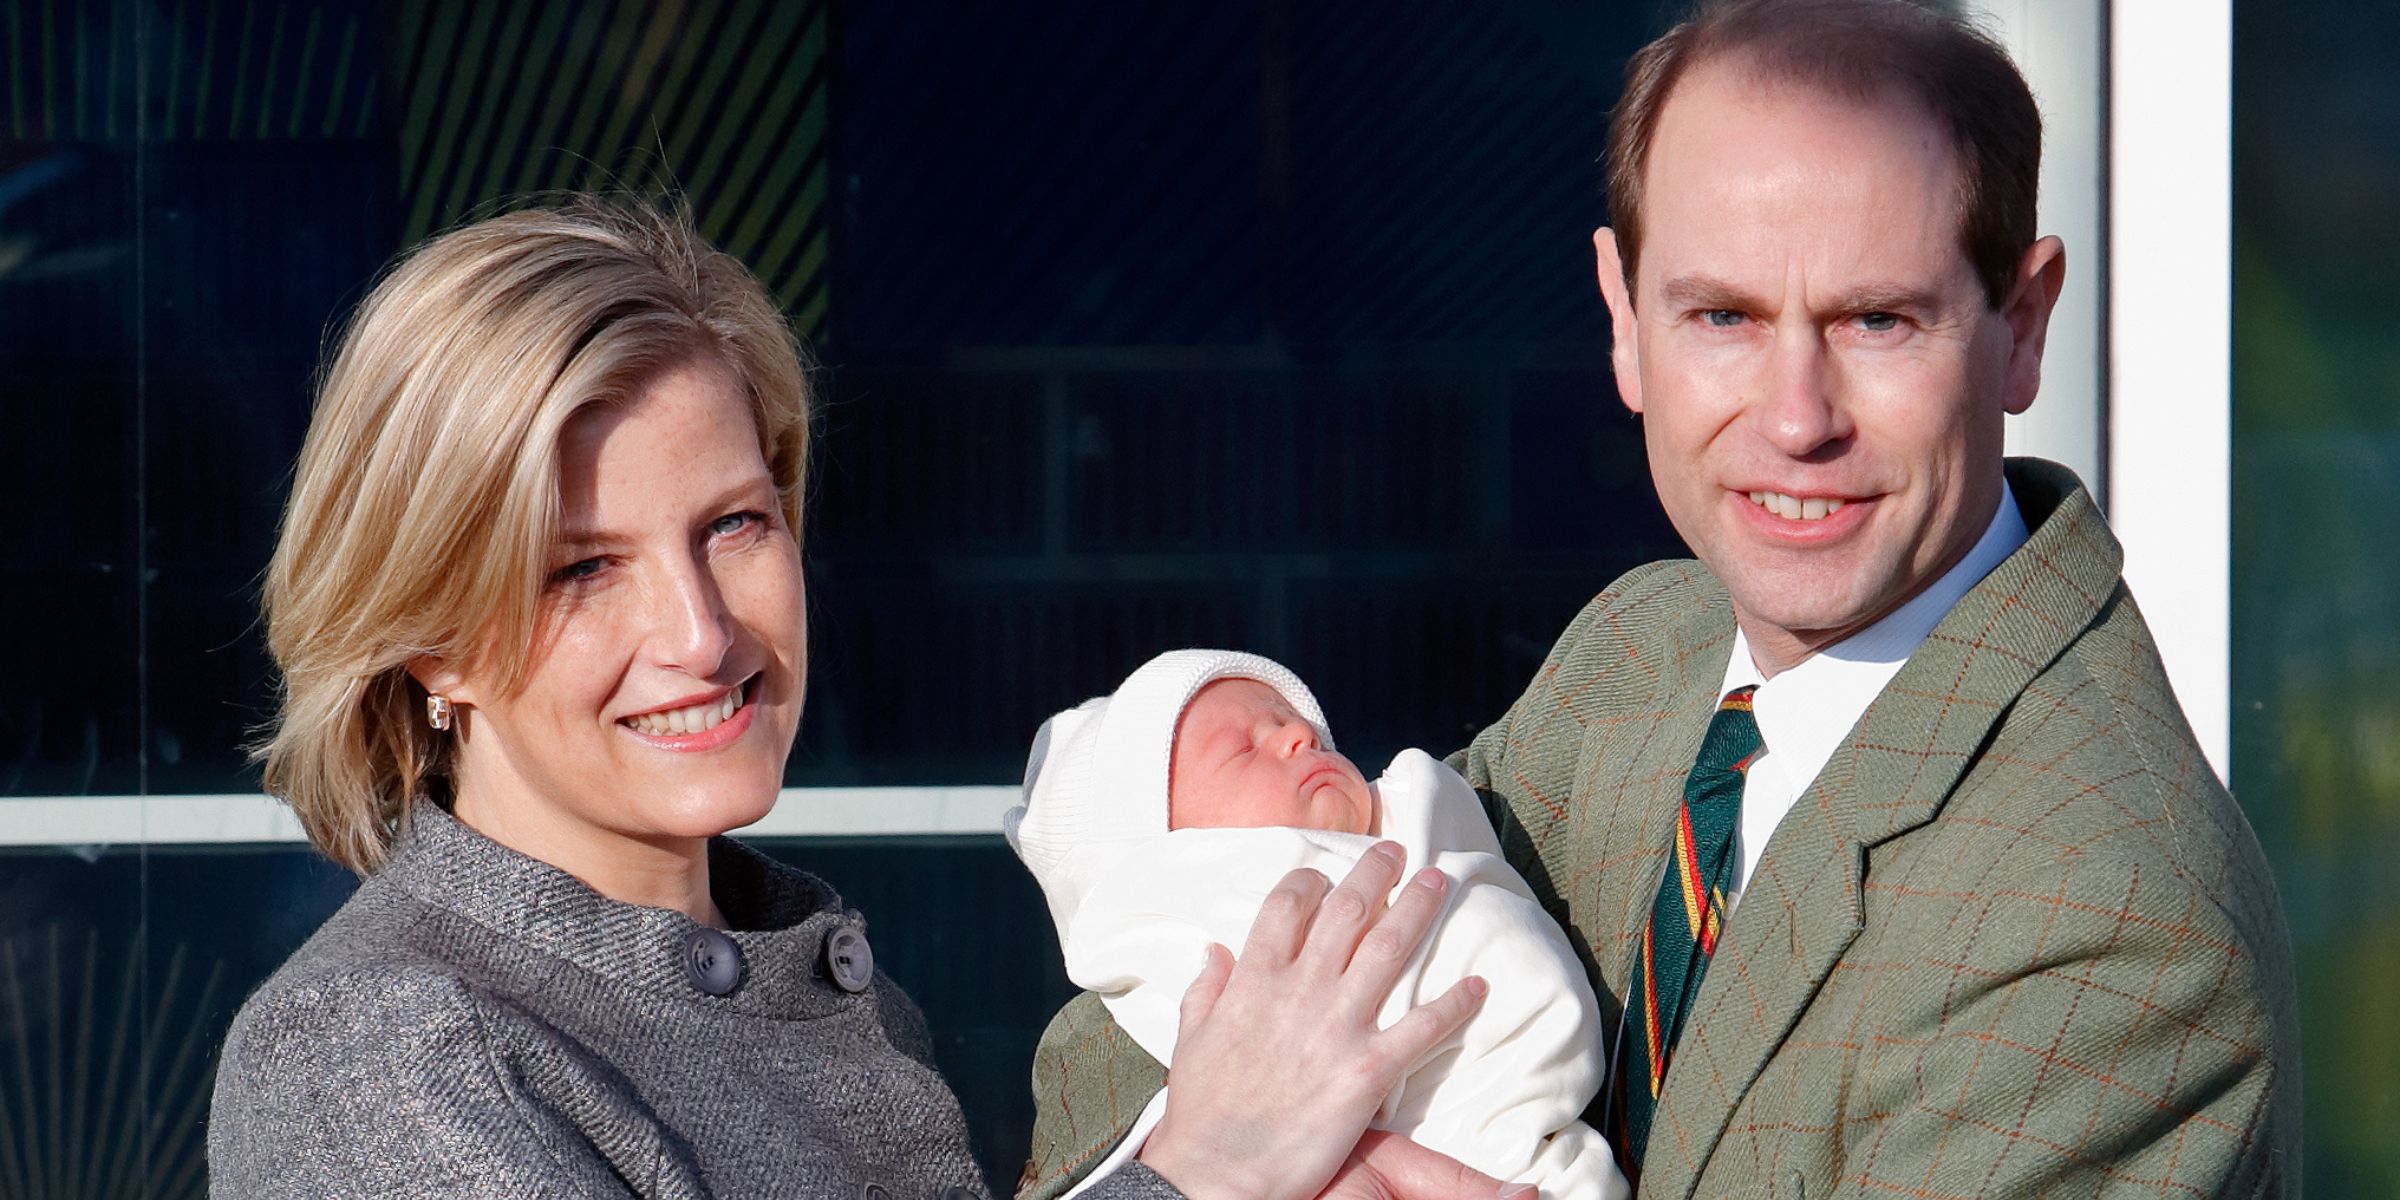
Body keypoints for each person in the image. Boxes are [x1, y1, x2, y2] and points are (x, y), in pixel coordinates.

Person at [1018, 1, 2301, 1196]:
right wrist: (1207, 1160)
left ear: (2021, 327)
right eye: (1723, 317)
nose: (1795, 420)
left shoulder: (2115, 936)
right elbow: (1143, 981)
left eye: (1876, 321)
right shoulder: (1648, 650)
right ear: (1625, 319)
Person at [205, 196, 1521, 1200]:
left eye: (733, 526)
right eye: (583, 570)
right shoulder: (375, 1048)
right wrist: (1203, 1167)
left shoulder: (846, 999)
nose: (701, 633)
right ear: (429, 639)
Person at [1007, 650, 1627, 1200]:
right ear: (1165, 851)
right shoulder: (1187, 927)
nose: (1300, 734)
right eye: (1243, 748)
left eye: (1297, 723)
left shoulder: (1445, 819)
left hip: (1528, 1136)